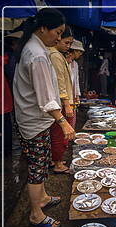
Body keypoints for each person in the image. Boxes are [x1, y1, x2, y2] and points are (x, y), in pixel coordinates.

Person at [13, 8, 75, 227]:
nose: (58, 38)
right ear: (43, 28)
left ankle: (43, 198)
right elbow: (46, 98)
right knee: (37, 169)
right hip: (33, 121)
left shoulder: (36, 48)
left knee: (41, 163)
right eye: (57, 32)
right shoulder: (37, 54)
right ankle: (36, 214)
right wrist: (63, 122)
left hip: (36, 120)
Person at [49, 25, 74, 173]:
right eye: (66, 42)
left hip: (61, 102)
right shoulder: (55, 56)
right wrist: (67, 103)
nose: (68, 46)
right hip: (61, 103)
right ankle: (58, 164)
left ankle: (56, 159)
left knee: (58, 134)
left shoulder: (57, 54)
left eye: (70, 43)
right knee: (60, 135)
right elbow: (60, 82)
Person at [68, 39, 85, 128]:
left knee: (72, 118)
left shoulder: (75, 64)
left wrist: (77, 95)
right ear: (74, 50)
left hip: (73, 95)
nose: (80, 54)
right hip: (66, 96)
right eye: (79, 51)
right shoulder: (66, 63)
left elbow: (76, 81)